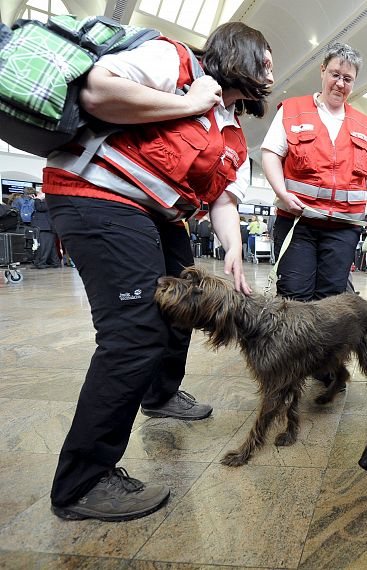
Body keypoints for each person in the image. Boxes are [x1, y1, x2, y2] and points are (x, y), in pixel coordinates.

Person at [43, 22, 273, 522]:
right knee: (134, 332)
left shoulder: (231, 127)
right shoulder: (174, 60)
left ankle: (161, 394)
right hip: (99, 197)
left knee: (182, 304)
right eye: (267, 61)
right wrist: (191, 103)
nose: (272, 72)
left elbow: (223, 197)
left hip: (156, 212)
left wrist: (233, 248)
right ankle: (82, 481)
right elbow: (99, 91)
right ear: (241, 56)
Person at [260, 42, 367, 302]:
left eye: (348, 79)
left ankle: (323, 346)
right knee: (294, 299)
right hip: (298, 222)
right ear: (323, 71)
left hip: (344, 228)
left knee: (330, 303)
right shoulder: (293, 110)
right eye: (335, 75)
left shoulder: (365, 124)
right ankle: (295, 345)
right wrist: (282, 193)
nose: (340, 83)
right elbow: (271, 153)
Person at [31, 190, 60, 268]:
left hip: (46, 227)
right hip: (47, 227)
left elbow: (40, 208)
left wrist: (37, 199)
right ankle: (55, 262)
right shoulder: (51, 200)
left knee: (44, 246)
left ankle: (41, 263)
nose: (39, 194)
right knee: (50, 246)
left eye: (40, 193)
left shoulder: (49, 200)